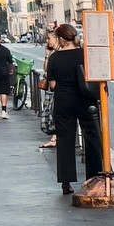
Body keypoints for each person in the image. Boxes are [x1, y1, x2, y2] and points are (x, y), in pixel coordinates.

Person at [46, 24, 103, 195]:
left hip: (63, 102)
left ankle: (66, 182)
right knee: (92, 137)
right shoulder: (84, 54)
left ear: (61, 39)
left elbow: (52, 84)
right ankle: (93, 178)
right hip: (85, 100)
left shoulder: (55, 58)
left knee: (65, 141)